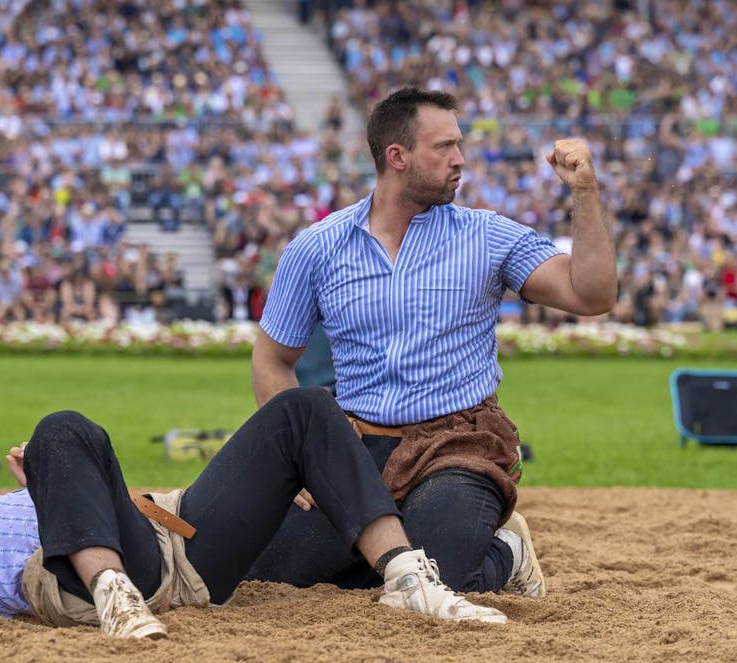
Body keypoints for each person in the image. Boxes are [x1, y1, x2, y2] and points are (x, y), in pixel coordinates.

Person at [249, 87, 616, 596]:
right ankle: (405, 550)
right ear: (397, 157)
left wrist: (586, 194)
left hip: (458, 443)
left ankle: (507, 553)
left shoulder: (486, 235)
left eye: (458, 145)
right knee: (273, 573)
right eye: (444, 147)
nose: (460, 160)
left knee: (441, 577)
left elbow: (590, 294)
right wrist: (306, 455)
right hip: (355, 445)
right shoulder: (317, 247)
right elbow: (272, 359)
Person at [0, 388, 516, 639]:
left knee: (303, 410)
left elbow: (90, 483)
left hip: (170, 537)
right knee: (60, 424)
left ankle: (407, 575)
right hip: (92, 580)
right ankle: (115, 595)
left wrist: (53, 481)